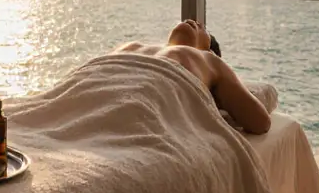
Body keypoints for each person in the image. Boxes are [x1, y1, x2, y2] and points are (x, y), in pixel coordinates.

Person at [114, 19, 272, 135]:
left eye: (202, 28)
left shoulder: (209, 61)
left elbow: (259, 122)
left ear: (208, 50)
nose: (195, 22)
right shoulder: (133, 46)